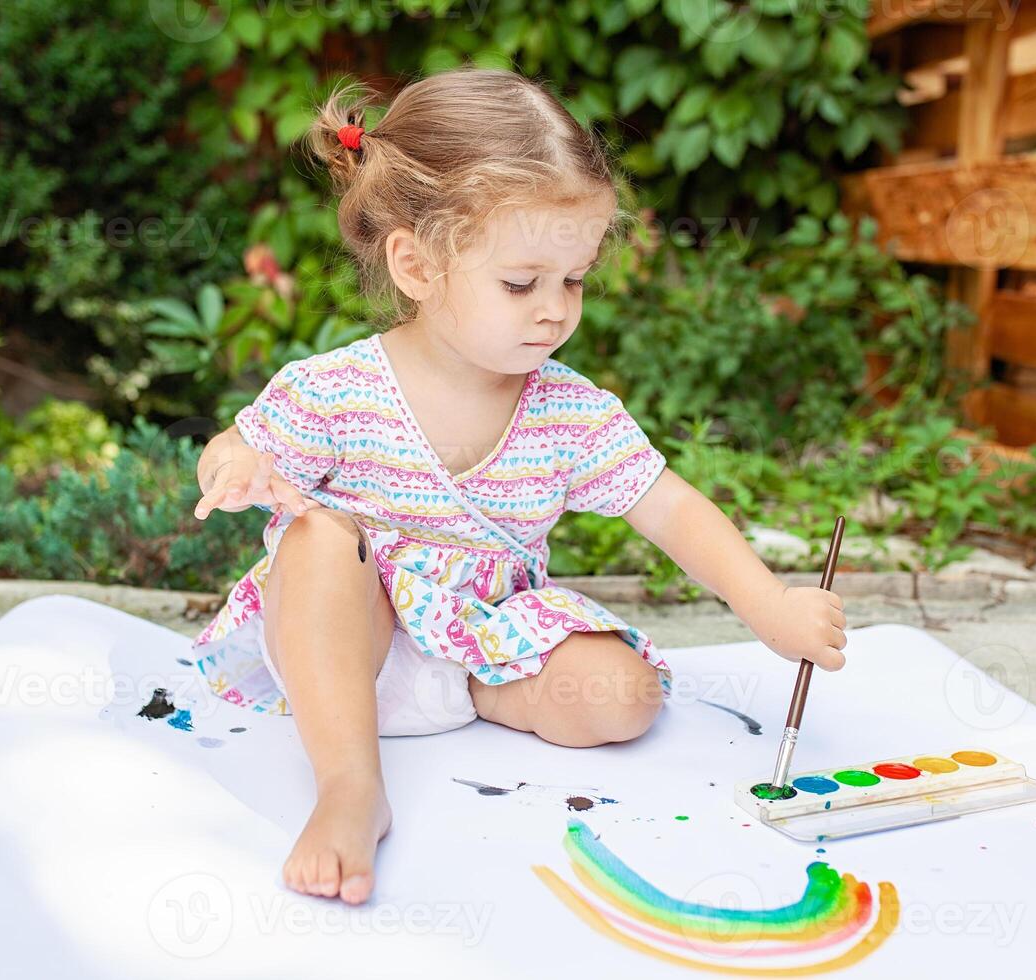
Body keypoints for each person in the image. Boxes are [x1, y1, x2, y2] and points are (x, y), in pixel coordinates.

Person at [188, 68, 847, 906]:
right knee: (319, 540)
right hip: (345, 650)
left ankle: (476, 700)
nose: (554, 311)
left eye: (572, 280)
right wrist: (236, 466)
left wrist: (768, 605)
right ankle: (350, 786)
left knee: (621, 697)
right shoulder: (336, 390)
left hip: (480, 653)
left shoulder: (567, 411)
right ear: (418, 265)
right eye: (519, 283)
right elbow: (239, 445)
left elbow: (667, 504)